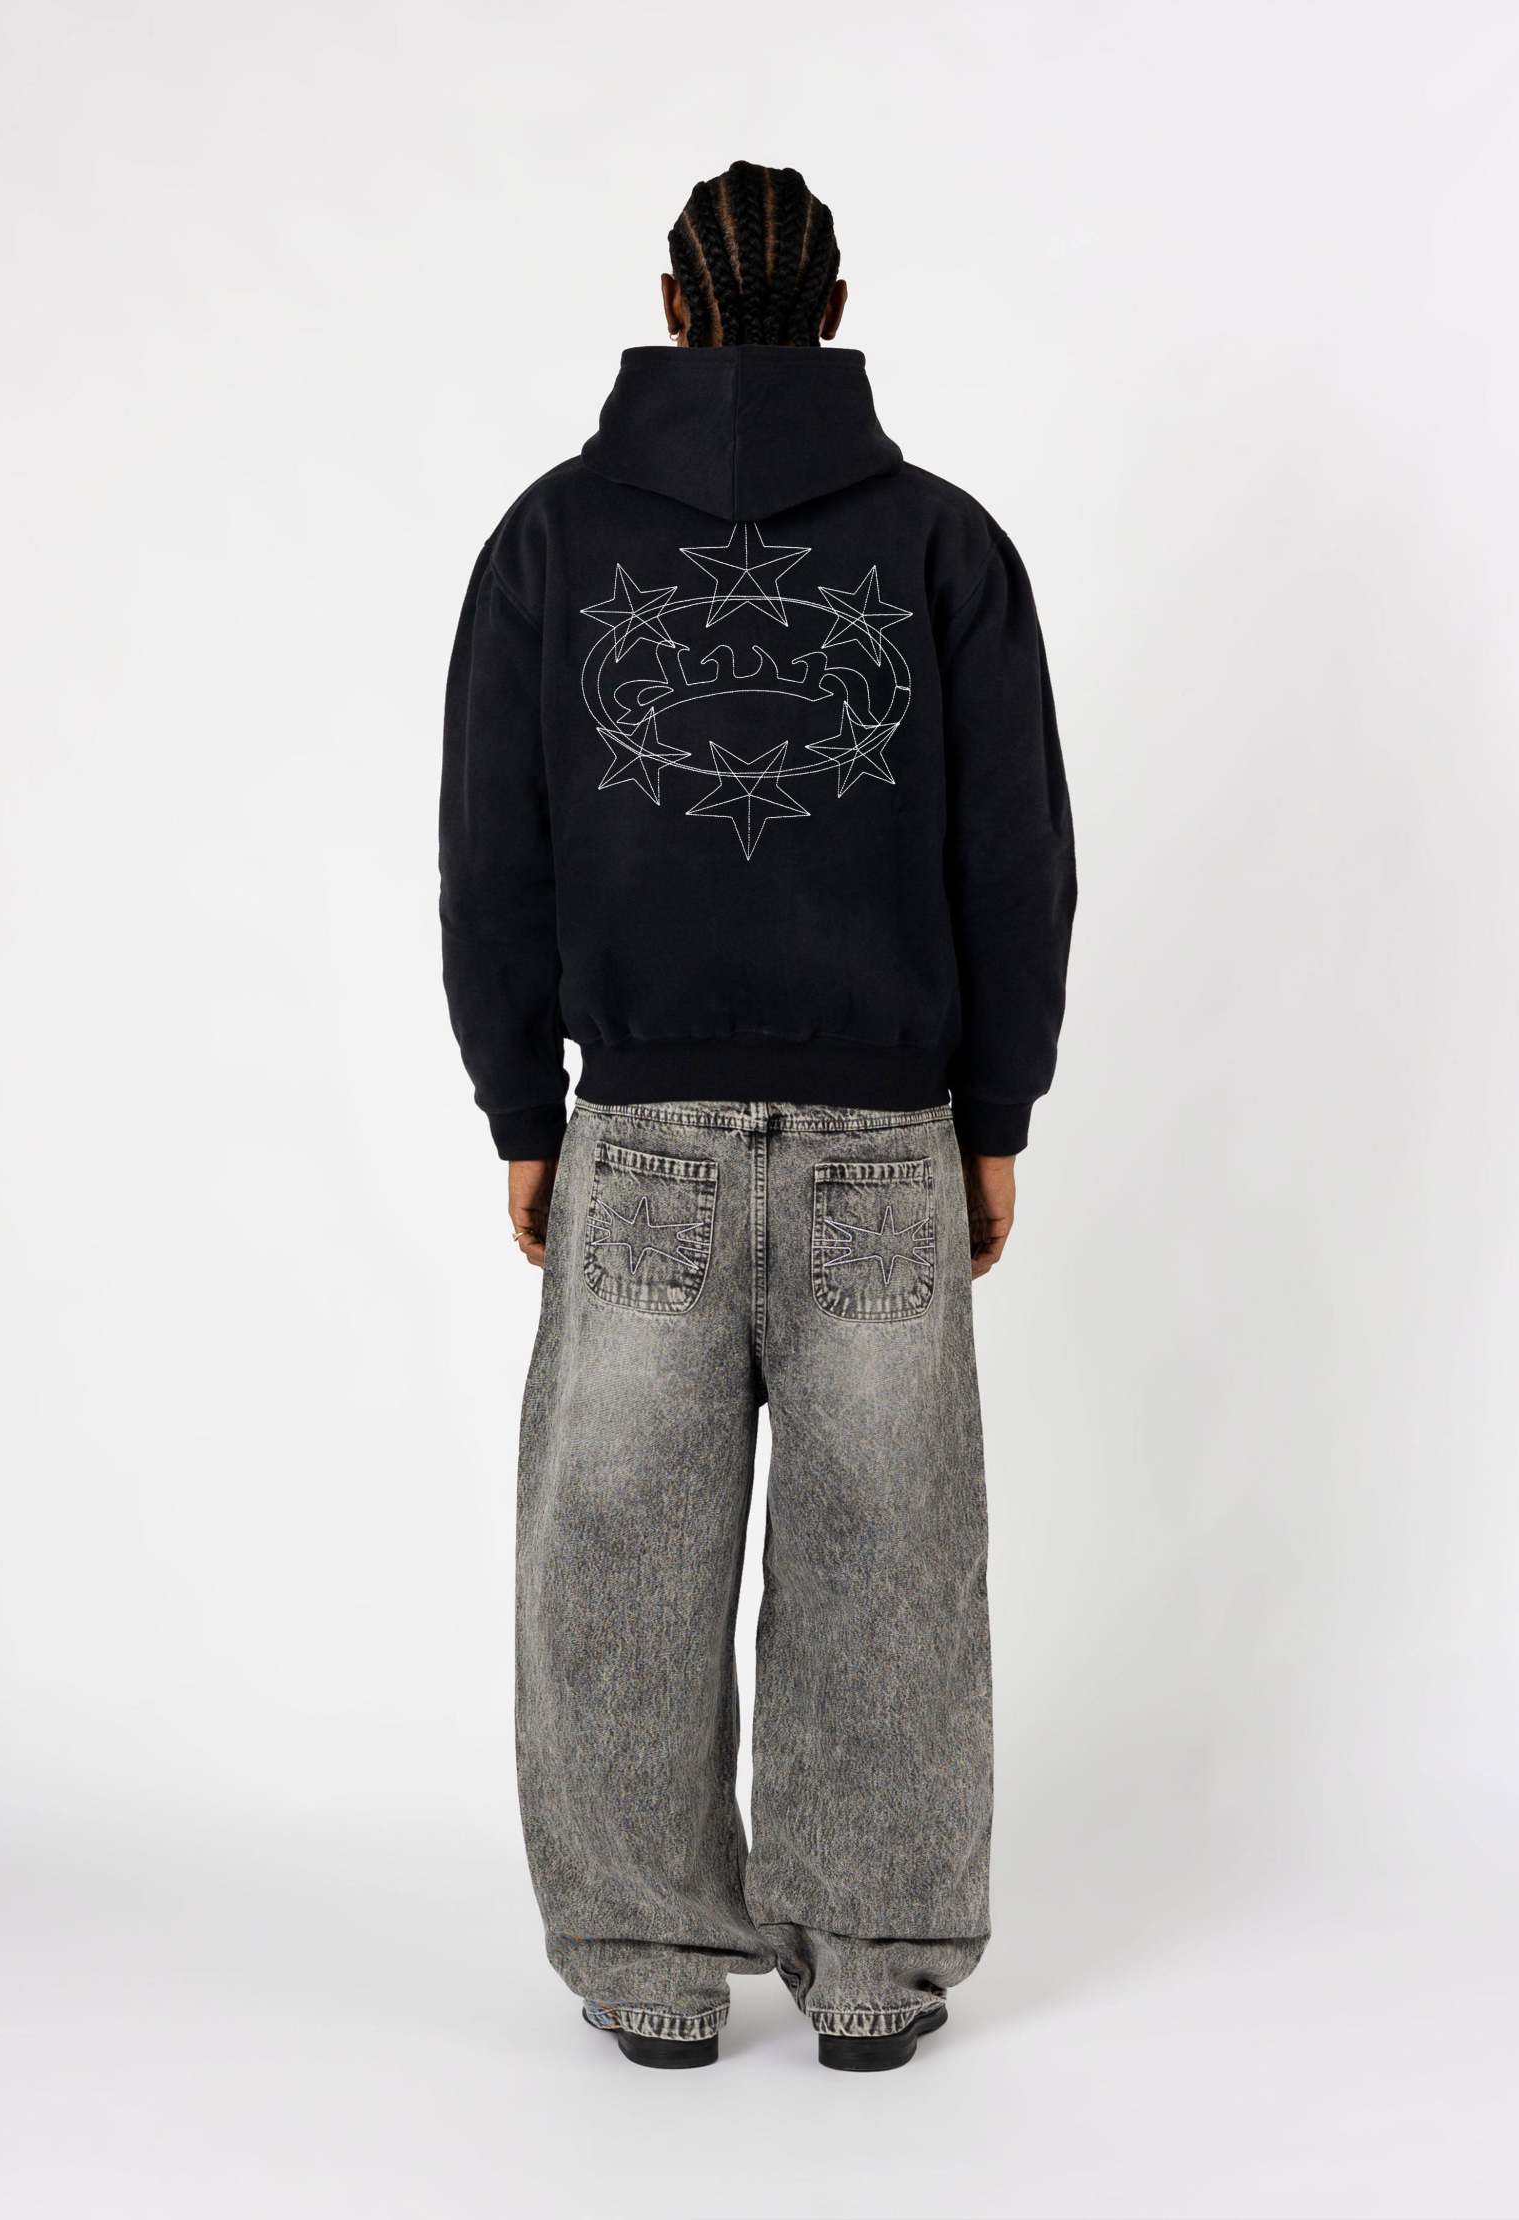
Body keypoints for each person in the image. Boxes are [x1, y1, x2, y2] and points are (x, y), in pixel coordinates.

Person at [439, 161, 1076, 2074]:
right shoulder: (946, 545)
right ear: (838, 308)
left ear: (670, 303)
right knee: (891, 1560)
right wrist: (995, 1113)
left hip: (637, 1135)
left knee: (614, 1561)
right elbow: (1016, 858)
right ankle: (873, 1966)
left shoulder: (549, 542)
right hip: (889, 1139)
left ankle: (648, 1959)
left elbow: (493, 857)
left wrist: (522, 1109)